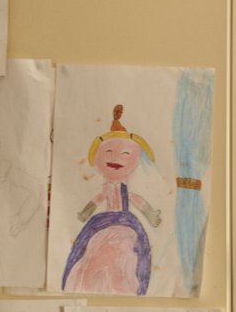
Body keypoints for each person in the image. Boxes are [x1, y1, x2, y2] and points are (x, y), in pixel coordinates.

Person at [63, 104, 162, 296]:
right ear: (97, 157)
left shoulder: (126, 191)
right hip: (103, 221)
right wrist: (84, 213)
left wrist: (151, 215)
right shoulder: (106, 189)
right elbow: (96, 201)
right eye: (108, 152)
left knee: (125, 253)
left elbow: (138, 202)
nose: (117, 157)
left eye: (126, 154)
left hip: (126, 221)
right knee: (93, 250)